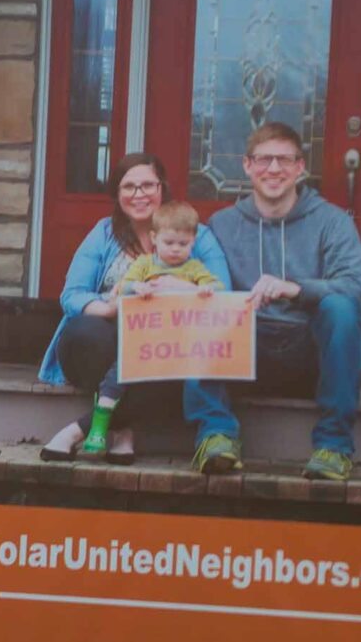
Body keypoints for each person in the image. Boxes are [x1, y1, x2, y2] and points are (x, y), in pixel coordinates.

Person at [191, 121, 361, 480]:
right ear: (247, 165)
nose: (274, 169)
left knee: (342, 308)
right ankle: (216, 434)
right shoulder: (222, 224)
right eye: (264, 160)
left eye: (284, 160)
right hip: (243, 354)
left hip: (308, 355)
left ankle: (333, 447)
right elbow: (196, 278)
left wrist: (296, 288)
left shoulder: (332, 222)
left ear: (300, 168)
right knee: (199, 306)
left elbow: (355, 286)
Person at [36, 150, 236, 457]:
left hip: (165, 344)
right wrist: (112, 306)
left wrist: (177, 288)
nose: (138, 194)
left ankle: (83, 429)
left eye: (148, 186)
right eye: (129, 187)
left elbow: (223, 293)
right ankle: (123, 430)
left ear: (162, 189)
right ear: (117, 194)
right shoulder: (103, 233)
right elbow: (72, 295)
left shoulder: (196, 235)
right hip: (103, 343)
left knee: (162, 359)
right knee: (86, 331)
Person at [76, 200, 225, 457]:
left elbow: (217, 289)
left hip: (176, 343)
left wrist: (189, 288)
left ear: (193, 241)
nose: (176, 250)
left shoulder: (194, 268)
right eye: (169, 243)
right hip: (141, 338)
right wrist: (139, 287)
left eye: (184, 244)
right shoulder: (145, 264)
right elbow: (126, 286)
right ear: (154, 238)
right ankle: (98, 428)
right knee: (118, 373)